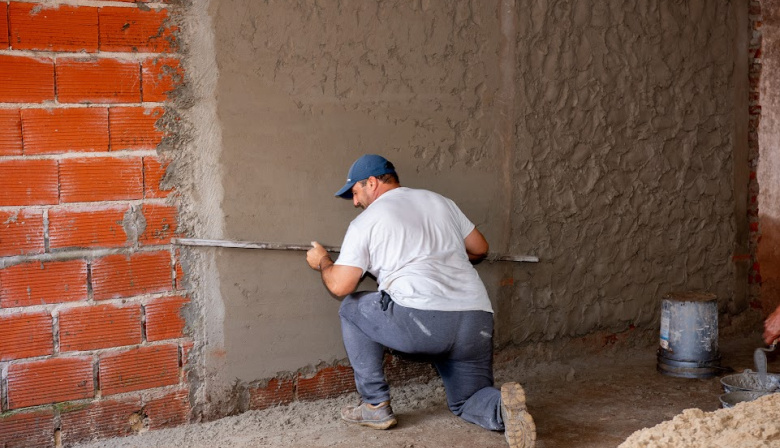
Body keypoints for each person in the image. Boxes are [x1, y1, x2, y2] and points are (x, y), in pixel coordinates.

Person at [305, 154, 536, 448]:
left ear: (372, 182)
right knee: (467, 399)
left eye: (355, 192)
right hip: (475, 319)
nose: (355, 201)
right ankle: (502, 410)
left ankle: (375, 405)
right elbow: (480, 248)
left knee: (351, 308)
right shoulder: (440, 202)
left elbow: (340, 285)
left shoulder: (367, 221)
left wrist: (324, 261)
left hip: (422, 323)